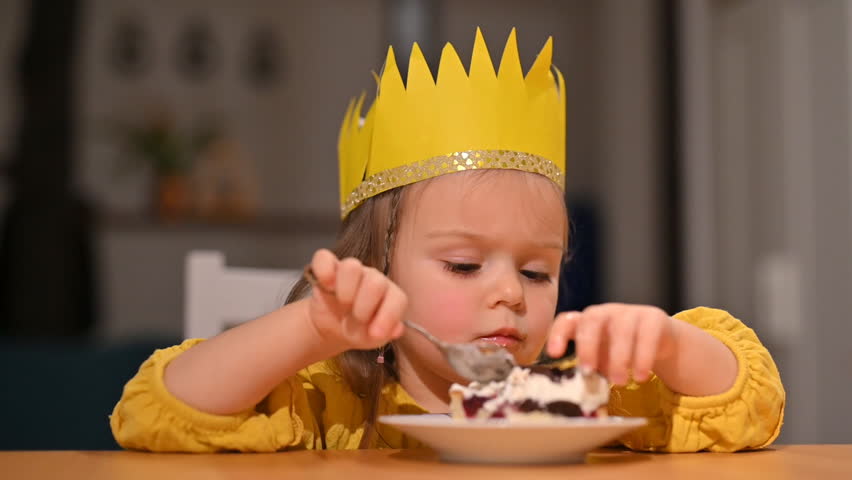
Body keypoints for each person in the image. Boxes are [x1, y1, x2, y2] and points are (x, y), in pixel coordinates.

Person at [110, 28, 784, 453]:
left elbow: (750, 407)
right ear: (377, 268)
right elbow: (152, 411)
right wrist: (313, 329)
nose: (510, 294)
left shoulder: (578, 401)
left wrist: (668, 344)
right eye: (464, 265)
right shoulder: (327, 405)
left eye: (537, 272)